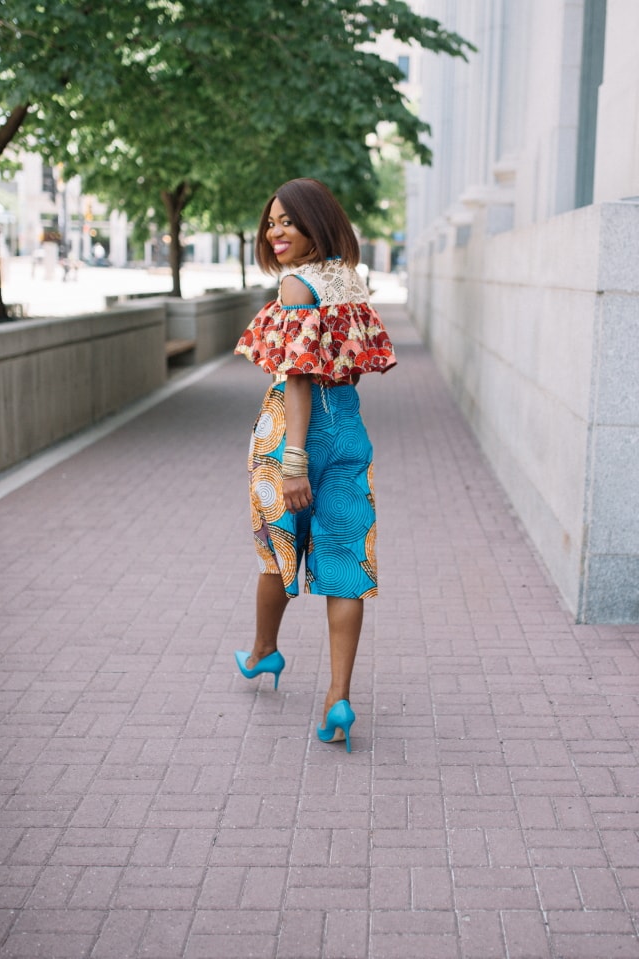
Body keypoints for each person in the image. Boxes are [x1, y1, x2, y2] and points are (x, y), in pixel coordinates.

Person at [234, 178, 397, 753]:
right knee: (346, 558)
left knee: (278, 548)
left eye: (288, 222)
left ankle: (262, 653)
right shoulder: (348, 281)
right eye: (271, 221)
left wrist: (295, 460)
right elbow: (348, 370)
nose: (276, 232)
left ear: (316, 225)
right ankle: (338, 697)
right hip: (349, 432)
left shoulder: (296, 287)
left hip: (291, 435)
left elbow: (298, 378)